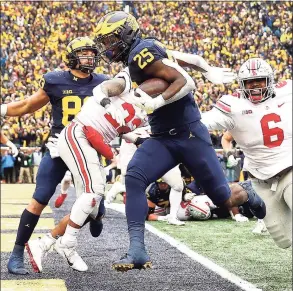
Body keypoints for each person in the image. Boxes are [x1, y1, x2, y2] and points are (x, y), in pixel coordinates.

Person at [94, 11, 266, 271]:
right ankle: (137, 250)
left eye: (109, 40)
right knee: (134, 177)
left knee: (223, 198)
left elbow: (186, 81)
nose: (107, 47)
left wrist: (155, 102)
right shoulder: (142, 51)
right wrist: (208, 69)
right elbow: (190, 59)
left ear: (124, 34)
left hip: (189, 134)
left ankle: (249, 192)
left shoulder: (142, 52)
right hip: (163, 137)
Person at [0, 36, 108, 275]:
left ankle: (97, 215)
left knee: (94, 207)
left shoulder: (104, 82)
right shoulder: (55, 81)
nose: (90, 57)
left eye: (92, 53)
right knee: (39, 198)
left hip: (88, 149)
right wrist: (3, 109)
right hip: (60, 146)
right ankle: (17, 253)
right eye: (84, 53)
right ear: (71, 58)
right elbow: (27, 105)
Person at [201, 57, 292, 249]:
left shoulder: (288, 91)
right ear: (242, 85)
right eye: (250, 82)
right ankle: (250, 192)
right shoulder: (233, 105)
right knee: (284, 240)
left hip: (290, 168)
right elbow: (203, 121)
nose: (255, 86)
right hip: (261, 180)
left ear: (270, 80)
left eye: (259, 80)